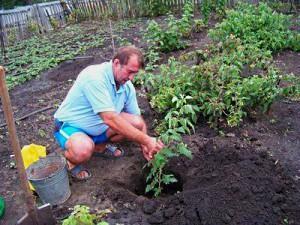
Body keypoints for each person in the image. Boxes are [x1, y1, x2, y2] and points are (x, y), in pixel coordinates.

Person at [54, 46, 164, 180]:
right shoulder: (94, 77)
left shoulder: (126, 86)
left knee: (136, 123)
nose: (131, 78)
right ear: (117, 63)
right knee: (82, 149)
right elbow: (109, 119)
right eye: (129, 72)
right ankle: (71, 161)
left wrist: (146, 146)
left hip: (99, 127)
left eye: (135, 73)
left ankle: (99, 147)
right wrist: (147, 140)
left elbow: (137, 119)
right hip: (72, 126)